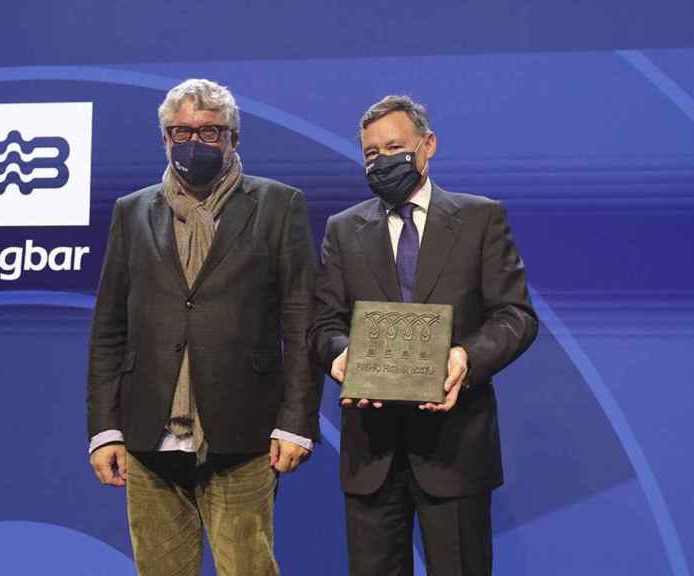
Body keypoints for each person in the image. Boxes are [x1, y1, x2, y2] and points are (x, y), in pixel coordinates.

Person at [87, 78, 322, 576]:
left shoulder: (280, 205)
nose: (194, 143)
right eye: (181, 132)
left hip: (243, 433)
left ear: (233, 138)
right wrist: (105, 428)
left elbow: (301, 321)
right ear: (165, 138)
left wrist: (297, 422)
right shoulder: (132, 212)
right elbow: (110, 325)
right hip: (148, 434)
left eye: (210, 132)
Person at [310, 95, 538, 575]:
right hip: (371, 454)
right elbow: (323, 324)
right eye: (371, 153)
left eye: (394, 147)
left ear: (427, 145)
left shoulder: (480, 219)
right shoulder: (342, 229)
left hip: (455, 451)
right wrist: (340, 358)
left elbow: (515, 315)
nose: (382, 160)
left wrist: (464, 358)